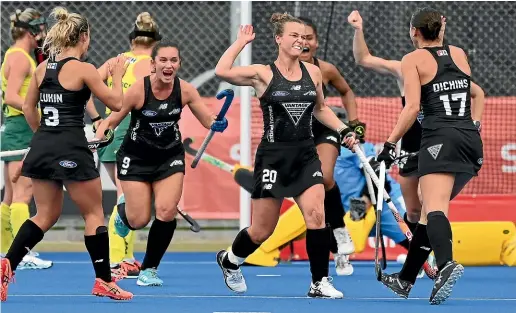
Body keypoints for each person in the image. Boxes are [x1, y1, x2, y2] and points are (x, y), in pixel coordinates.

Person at [214, 13, 358, 298]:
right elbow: (222, 71)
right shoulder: (261, 73)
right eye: (294, 35)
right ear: (279, 39)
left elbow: (320, 109)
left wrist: (344, 130)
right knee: (261, 231)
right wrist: (241, 42)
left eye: (304, 37)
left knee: (317, 216)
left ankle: (319, 282)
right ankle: (230, 261)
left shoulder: (314, 72)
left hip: (305, 154)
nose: (300, 41)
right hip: (273, 158)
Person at [0, 7, 133, 302]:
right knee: (94, 212)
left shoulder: (42, 67)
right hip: (72, 146)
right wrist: (119, 74)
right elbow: (116, 101)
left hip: (44, 145)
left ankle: (7, 263)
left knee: (45, 214)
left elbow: (27, 108)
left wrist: (44, 137)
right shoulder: (83, 69)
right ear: (83, 37)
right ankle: (103, 281)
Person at [347, 10, 483, 280]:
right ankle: (408, 277)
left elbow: (413, 107)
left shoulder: (416, 61)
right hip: (427, 146)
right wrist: (358, 30)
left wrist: (388, 144)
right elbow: (363, 58)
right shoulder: (446, 58)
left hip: (437, 141)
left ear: (414, 32)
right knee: (418, 210)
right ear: (439, 29)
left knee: (432, 206)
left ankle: (442, 264)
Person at [95, 39, 228, 287]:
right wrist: (101, 133)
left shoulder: (185, 90)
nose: (168, 65)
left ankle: (149, 269)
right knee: (139, 220)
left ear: (179, 64)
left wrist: (215, 122)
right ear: (153, 64)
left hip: (169, 157)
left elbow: (207, 119)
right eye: (163, 60)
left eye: (173, 60)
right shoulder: (138, 90)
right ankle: (123, 215)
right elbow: (112, 119)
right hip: (136, 159)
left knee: (166, 211)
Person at [87, 11, 161, 279]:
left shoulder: (114, 61)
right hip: (132, 134)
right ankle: (116, 260)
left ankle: (125, 257)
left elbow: (85, 91)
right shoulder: (153, 66)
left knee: (127, 198)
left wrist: (97, 119)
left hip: (110, 131)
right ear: (155, 43)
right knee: (126, 198)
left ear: (132, 40)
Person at [297, 16, 365, 276]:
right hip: (294, 139)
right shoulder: (278, 70)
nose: (304, 43)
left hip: (324, 131)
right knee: (312, 201)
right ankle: (336, 249)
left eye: (309, 38)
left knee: (324, 177)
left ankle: (339, 228)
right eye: (299, 37)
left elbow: (346, 92)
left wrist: (355, 122)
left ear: (316, 42)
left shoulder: (325, 69)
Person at [1, 8, 53, 270]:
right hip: (21, 127)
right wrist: (34, 110)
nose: (43, 35)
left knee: (10, 195)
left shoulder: (16, 55)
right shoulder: (21, 58)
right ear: (31, 30)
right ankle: (20, 255)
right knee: (24, 192)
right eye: (41, 29)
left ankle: (6, 255)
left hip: (14, 126)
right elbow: (11, 96)